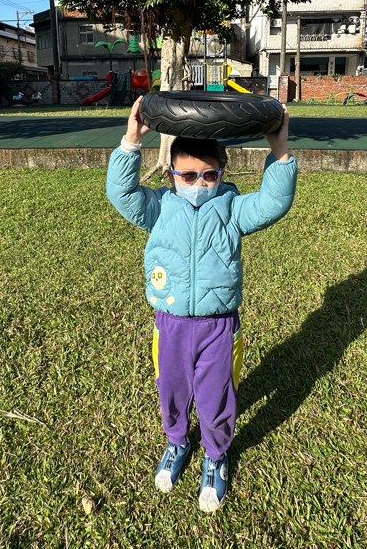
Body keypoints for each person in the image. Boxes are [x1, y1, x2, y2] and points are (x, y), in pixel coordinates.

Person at [106, 99, 297, 512]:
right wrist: (131, 140)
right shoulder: (159, 208)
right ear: (171, 175)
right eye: (189, 176)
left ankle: (215, 455)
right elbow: (120, 194)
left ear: (221, 174)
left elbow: (273, 203)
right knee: (171, 391)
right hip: (170, 324)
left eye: (209, 175)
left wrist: (279, 151)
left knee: (216, 398)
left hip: (218, 327)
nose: (199, 184)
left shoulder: (232, 209)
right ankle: (177, 443)